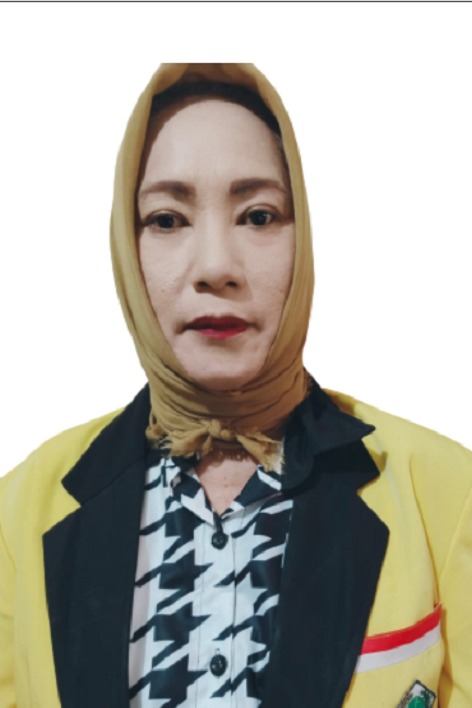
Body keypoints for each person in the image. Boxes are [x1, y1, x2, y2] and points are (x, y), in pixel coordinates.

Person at [0, 62, 471, 708]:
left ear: (303, 239)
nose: (216, 266)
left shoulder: (447, 493)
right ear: (126, 250)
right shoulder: (18, 513)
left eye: (258, 215)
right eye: (167, 220)